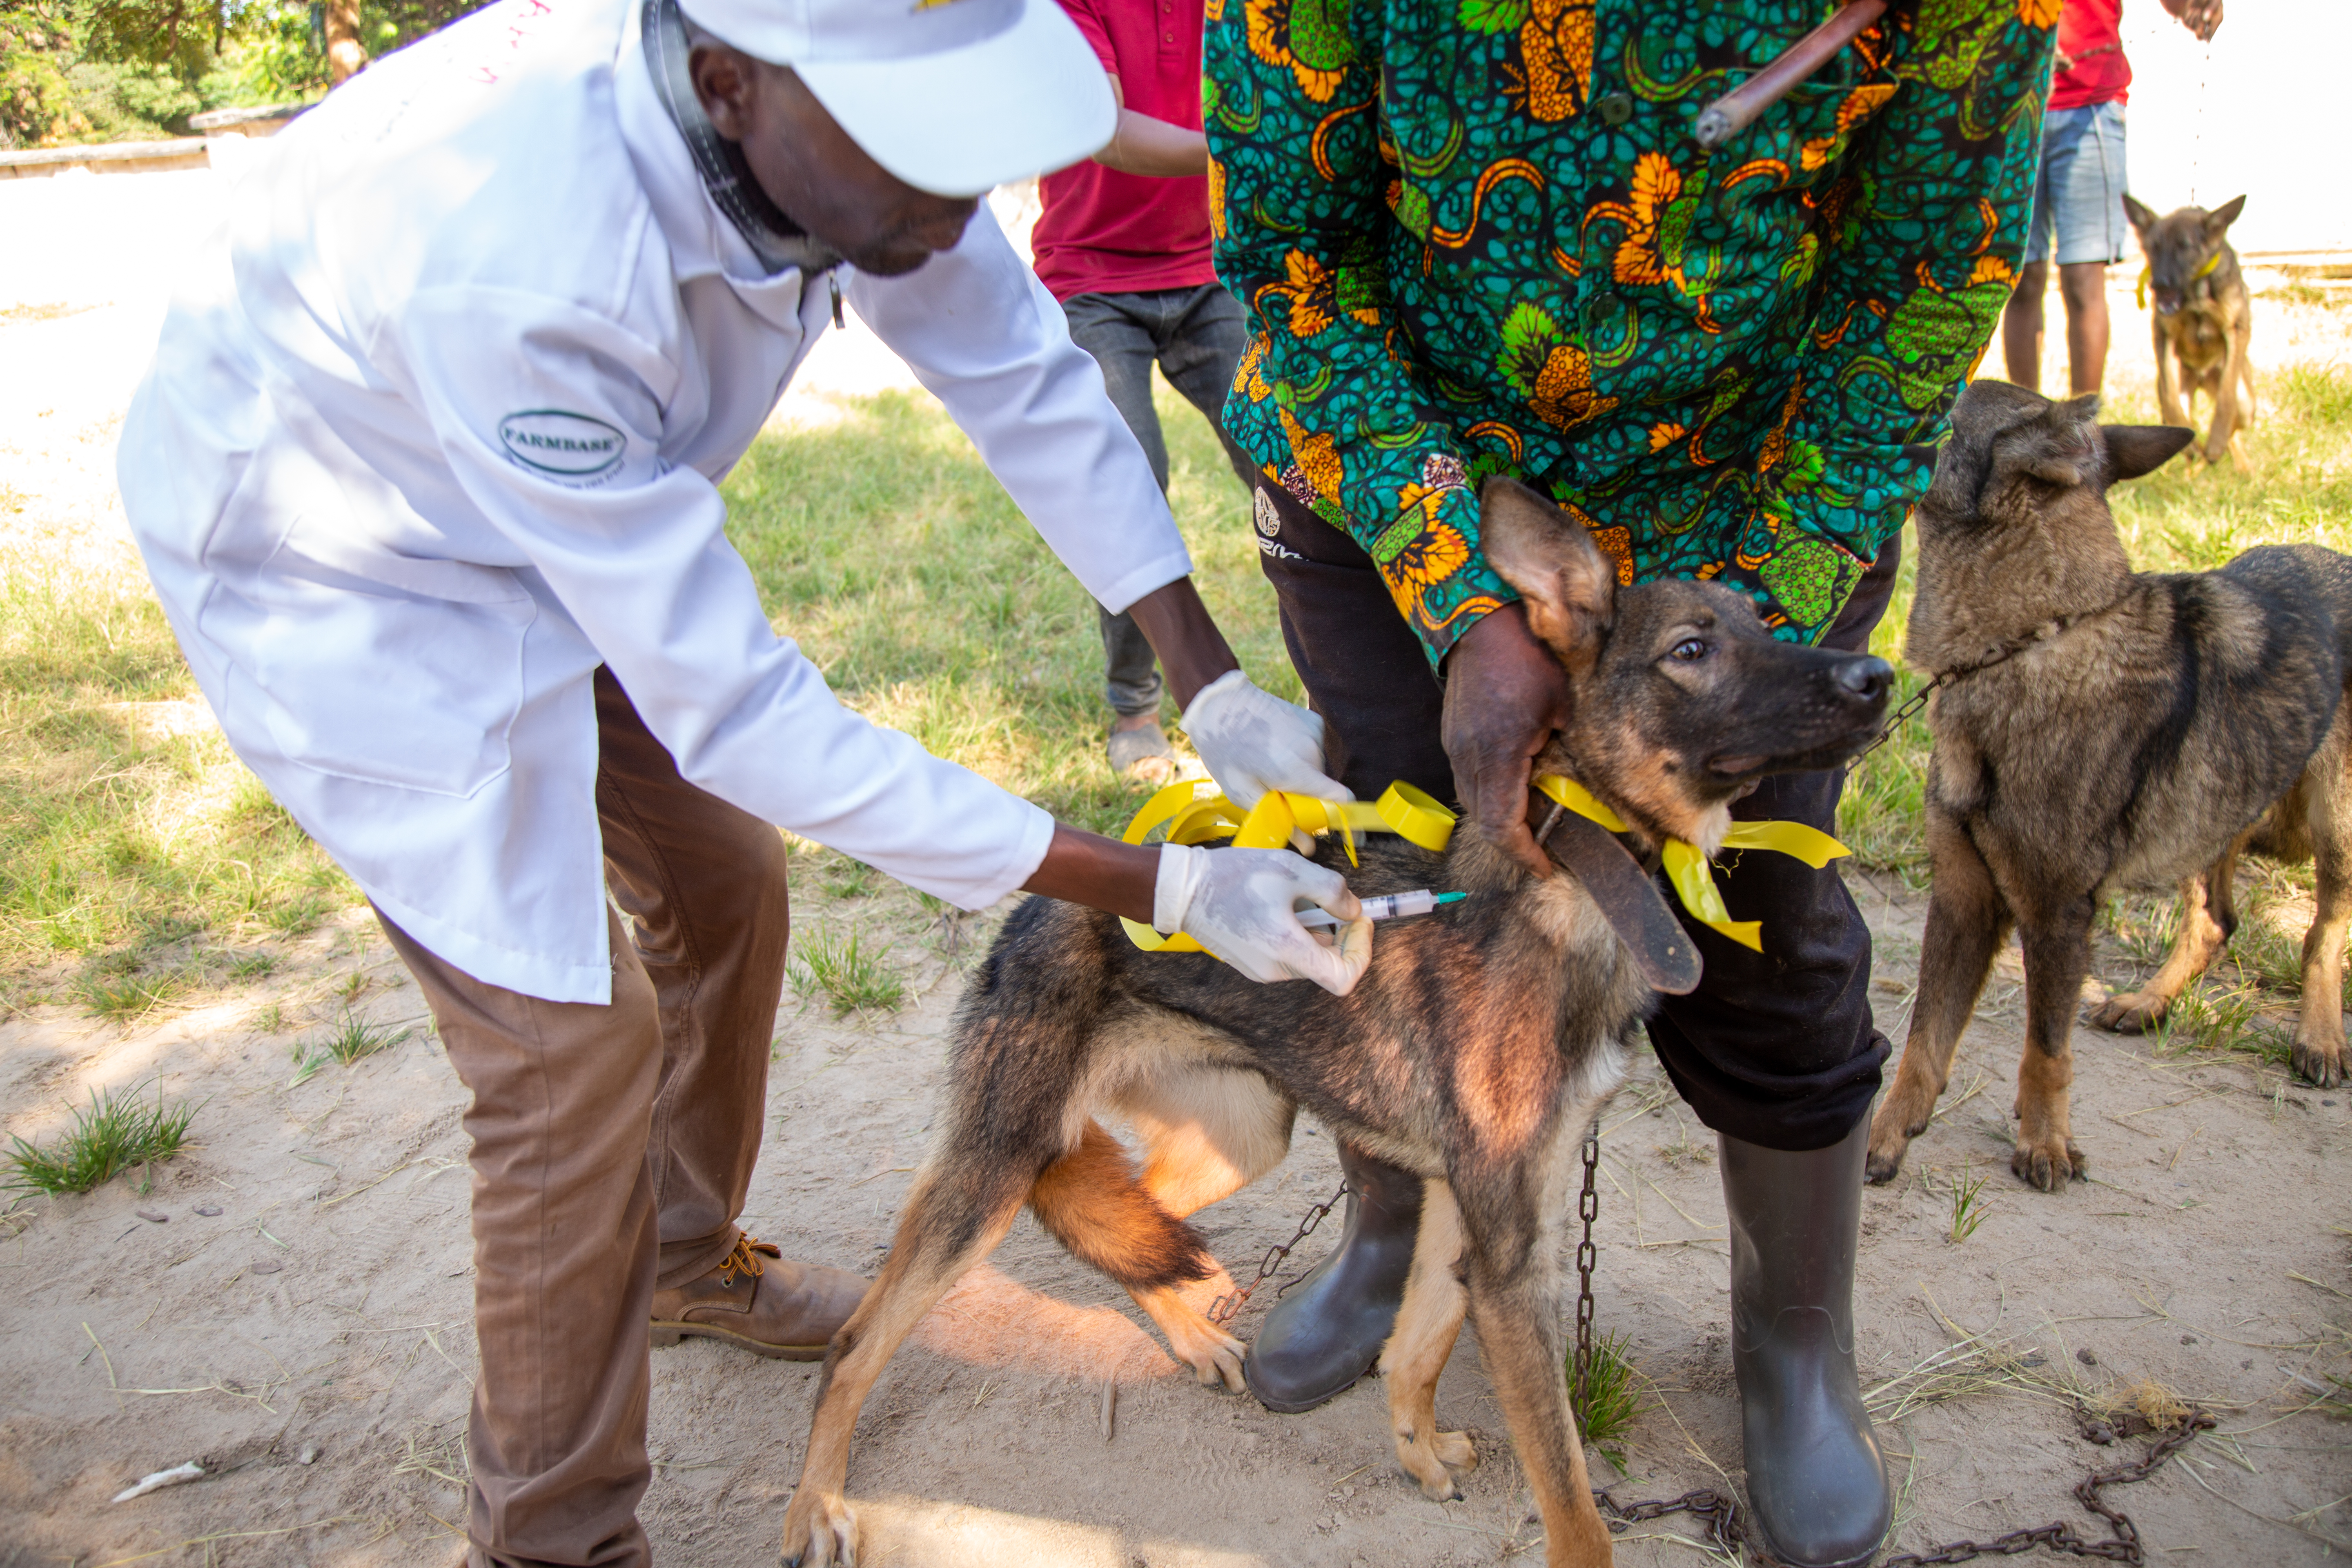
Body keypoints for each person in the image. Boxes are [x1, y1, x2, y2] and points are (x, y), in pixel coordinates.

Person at [115, 0, 1371, 1561]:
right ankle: (556, 1539)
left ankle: (685, 1260)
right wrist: (1166, 886)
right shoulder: (527, 262)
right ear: (725, 85)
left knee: (726, 884)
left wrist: (1213, 678)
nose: (954, 212)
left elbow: (1025, 384)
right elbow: (755, 725)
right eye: (924, 168)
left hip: (566, 526)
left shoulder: (836, 123)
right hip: (360, 575)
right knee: (566, 1060)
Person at [1206, 6, 2052, 1566]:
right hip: (1413, 467)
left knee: (1767, 922)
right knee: (1415, 895)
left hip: (1754, 490)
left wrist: (1710, 640)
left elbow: (1921, 287)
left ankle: (1794, 1348)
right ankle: (1393, 1236)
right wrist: (1460, 585)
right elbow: (1295, 258)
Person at [1031, 0, 1259, 782]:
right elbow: (1110, 130)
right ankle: (1134, 706)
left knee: (1289, 463)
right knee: (1129, 478)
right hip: (1091, 278)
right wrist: (1252, 148)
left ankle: (1346, 684)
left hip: (1209, 270)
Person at [2000, 0, 2225, 395]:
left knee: (2083, 277)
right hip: (2013, 99)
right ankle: (2024, 423)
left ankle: (2083, 431)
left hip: (2091, 104)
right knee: (2022, 276)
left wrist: (2191, 4)